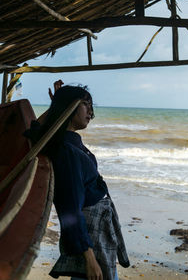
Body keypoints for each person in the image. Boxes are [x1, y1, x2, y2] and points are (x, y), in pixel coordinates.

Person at [25, 81, 130, 280]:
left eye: (91, 106)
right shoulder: (67, 152)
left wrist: (58, 105)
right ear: (70, 108)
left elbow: (38, 129)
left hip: (96, 231)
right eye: (85, 104)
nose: (91, 111)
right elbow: (70, 209)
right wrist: (90, 259)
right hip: (90, 237)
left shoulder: (66, 142)